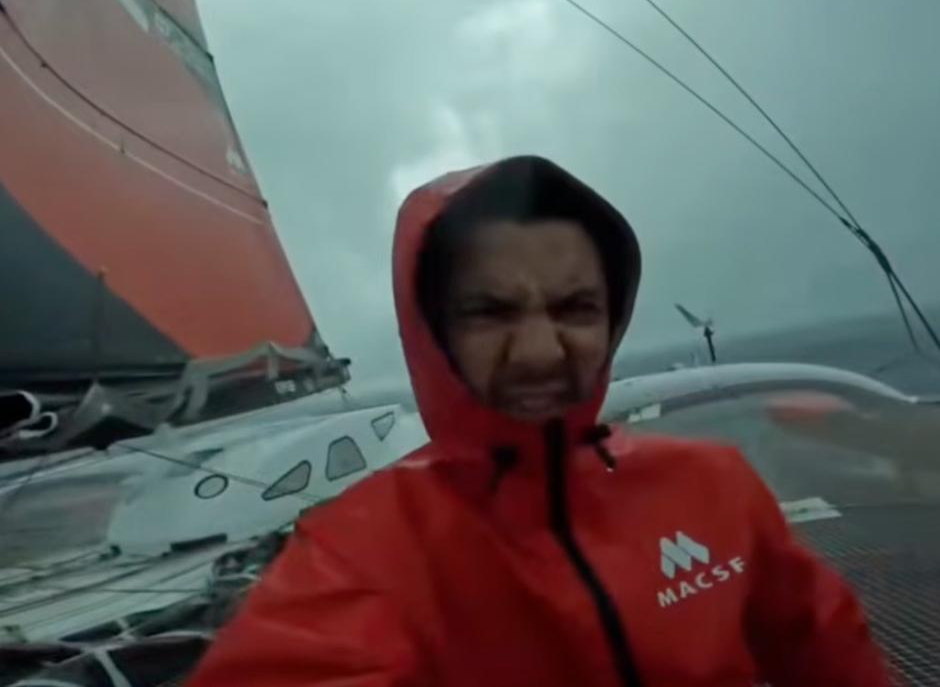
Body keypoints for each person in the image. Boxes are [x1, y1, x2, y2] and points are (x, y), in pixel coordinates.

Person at [187, 156, 891, 687]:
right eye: (491, 312)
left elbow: (828, 650)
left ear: (614, 317)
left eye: (575, 308)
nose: (539, 351)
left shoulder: (714, 487)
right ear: (434, 331)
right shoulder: (361, 552)